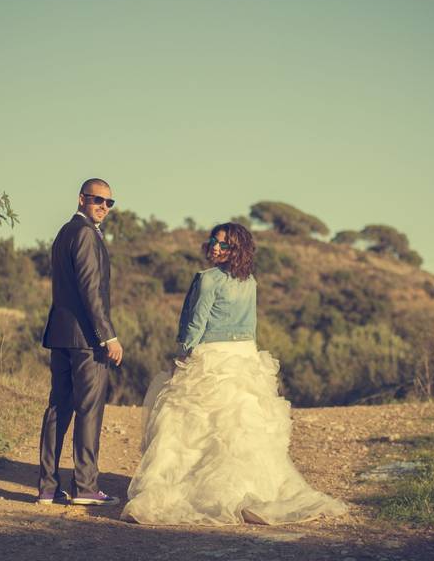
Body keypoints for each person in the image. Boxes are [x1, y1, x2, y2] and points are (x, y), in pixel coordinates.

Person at [121, 222, 348, 525]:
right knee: (239, 432)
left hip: (212, 356)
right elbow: (251, 325)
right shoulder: (250, 282)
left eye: (224, 244)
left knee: (194, 429)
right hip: (244, 357)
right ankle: (249, 490)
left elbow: (196, 323)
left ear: (236, 250)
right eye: (213, 241)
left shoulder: (207, 279)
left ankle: (197, 492)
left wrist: (184, 353)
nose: (215, 247)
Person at [38, 178, 124, 506]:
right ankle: (86, 487)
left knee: (58, 409)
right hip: (87, 340)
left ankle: (47, 487)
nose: (103, 207)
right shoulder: (86, 234)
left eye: (109, 203)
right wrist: (109, 336)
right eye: (97, 200)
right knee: (88, 410)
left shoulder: (64, 233)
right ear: (81, 199)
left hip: (59, 335)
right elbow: (90, 291)